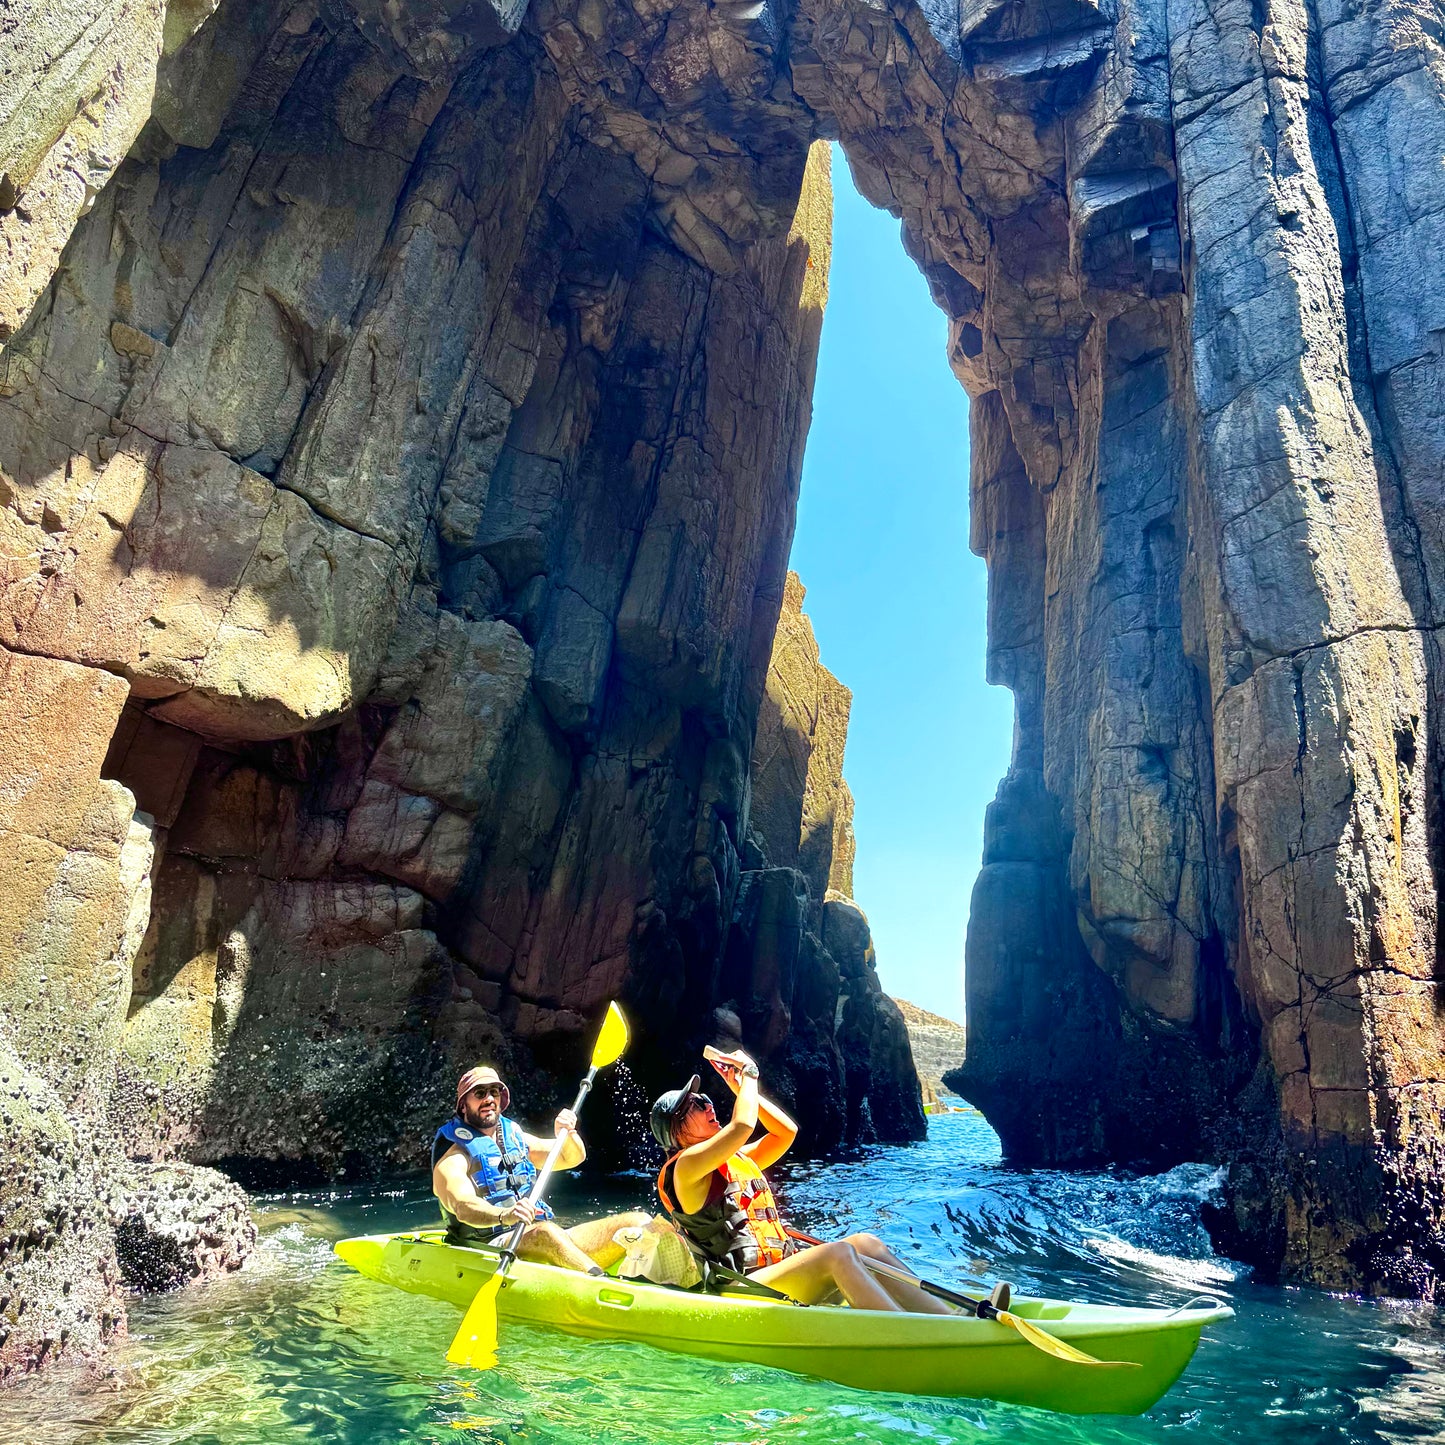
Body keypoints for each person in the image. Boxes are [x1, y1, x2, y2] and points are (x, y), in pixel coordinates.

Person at [651, 1050, 955, 1313]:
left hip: (777, 1271)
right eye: (695, 1105)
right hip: (740, 1285)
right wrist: (749, 1075)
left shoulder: (736, 1161)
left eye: (705, 1099)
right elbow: (743, 1124)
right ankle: (906, 1332)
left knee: (865, 1243)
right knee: (838, 1254)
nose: (708, 1106)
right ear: (676, 1130)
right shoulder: (686, 1167)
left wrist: (740, 1087)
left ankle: (947, 1320)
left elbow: (785, 1132)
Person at [434, 1064, 649, 1273]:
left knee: (635, 1223)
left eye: (494, 1092)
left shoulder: (515, 1139)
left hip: (537, 1233)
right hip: (490, 1243)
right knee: (545, 1233)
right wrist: (505, 1215)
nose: (489, 1099)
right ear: (463, 1105)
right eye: (480, 1094)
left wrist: (567, 1134)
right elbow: (463, 1206)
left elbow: (570, 1157)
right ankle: (599, 1283)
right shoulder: (454, 1157)